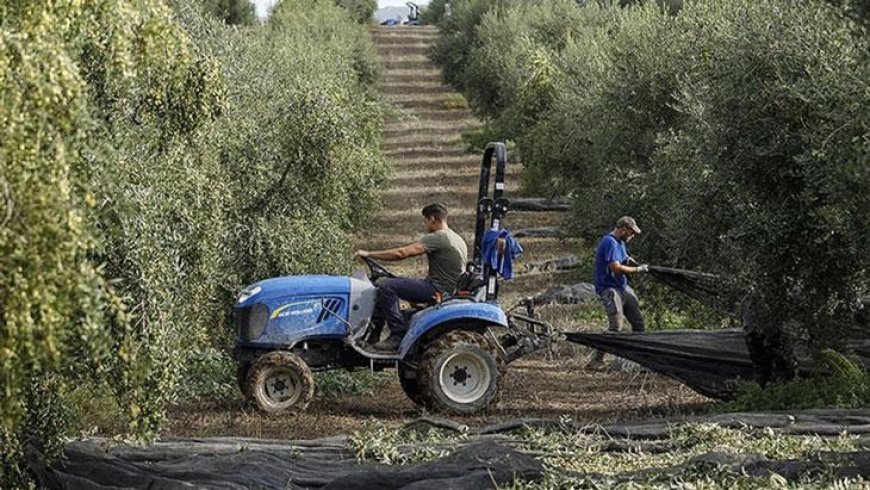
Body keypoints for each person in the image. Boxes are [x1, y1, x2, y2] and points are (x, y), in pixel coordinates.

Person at [354, 203, 468, 350]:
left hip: (437, 291)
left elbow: (402, 253)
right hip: (443, 288)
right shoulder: (457, 238)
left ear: (433, 219)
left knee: (387, 286)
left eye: (425, 221)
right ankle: (372, 336)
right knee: (389, 282)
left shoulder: (439, 237)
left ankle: (397, 334)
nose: (425, 224)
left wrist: (369, 254)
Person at [587, 216, 649, 368]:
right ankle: (596, 359)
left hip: (622, 287)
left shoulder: (620, 243)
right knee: (615, 327)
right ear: (623, 230)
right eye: (631, 233)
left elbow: (623, 259)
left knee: (638, 323)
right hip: (609, 289)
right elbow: (615, 267)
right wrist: (637, 270)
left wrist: (633, 262)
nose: (632, 236)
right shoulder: (609, 242)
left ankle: (639, 357)